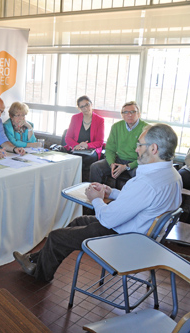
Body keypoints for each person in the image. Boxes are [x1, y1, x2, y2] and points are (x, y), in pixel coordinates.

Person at [13, 123, 182, 282]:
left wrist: (97, 200)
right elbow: (140, 201)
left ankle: (38, 274)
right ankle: (35, 259)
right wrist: (111, 192)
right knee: (78, 221)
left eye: (140, 144)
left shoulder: (147, 183)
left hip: (125, 241)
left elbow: (108, 219)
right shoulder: (173, 175)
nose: (136, 149)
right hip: (142, 237)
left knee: (57, 237)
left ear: (154, 148)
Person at [89, 101, 148, 184]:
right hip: (118, 159)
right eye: (126, 112)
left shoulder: (146, 128)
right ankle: (95, 193)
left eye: (133, 112)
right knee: (95, 167)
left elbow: (147, 155)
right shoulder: (116, 127)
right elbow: (110, 149)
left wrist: (127, 167)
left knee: (141, 175)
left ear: (139, 114)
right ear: (122, 115)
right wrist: (111, 163)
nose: (129, 115)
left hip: (136, 162)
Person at [64, 96, 105, 181]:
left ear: (91, 104)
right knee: (74, 157)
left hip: (91, 150)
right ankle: (73, 182)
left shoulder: (100, 120)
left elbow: (100, 142)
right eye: (82, 106)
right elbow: (68, 137)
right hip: (76, 149)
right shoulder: (75, 118)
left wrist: (86, 145)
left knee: (86, 159)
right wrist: (76, 145)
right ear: (79, 108)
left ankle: (80, 182)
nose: (86, 108)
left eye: (87, 104)